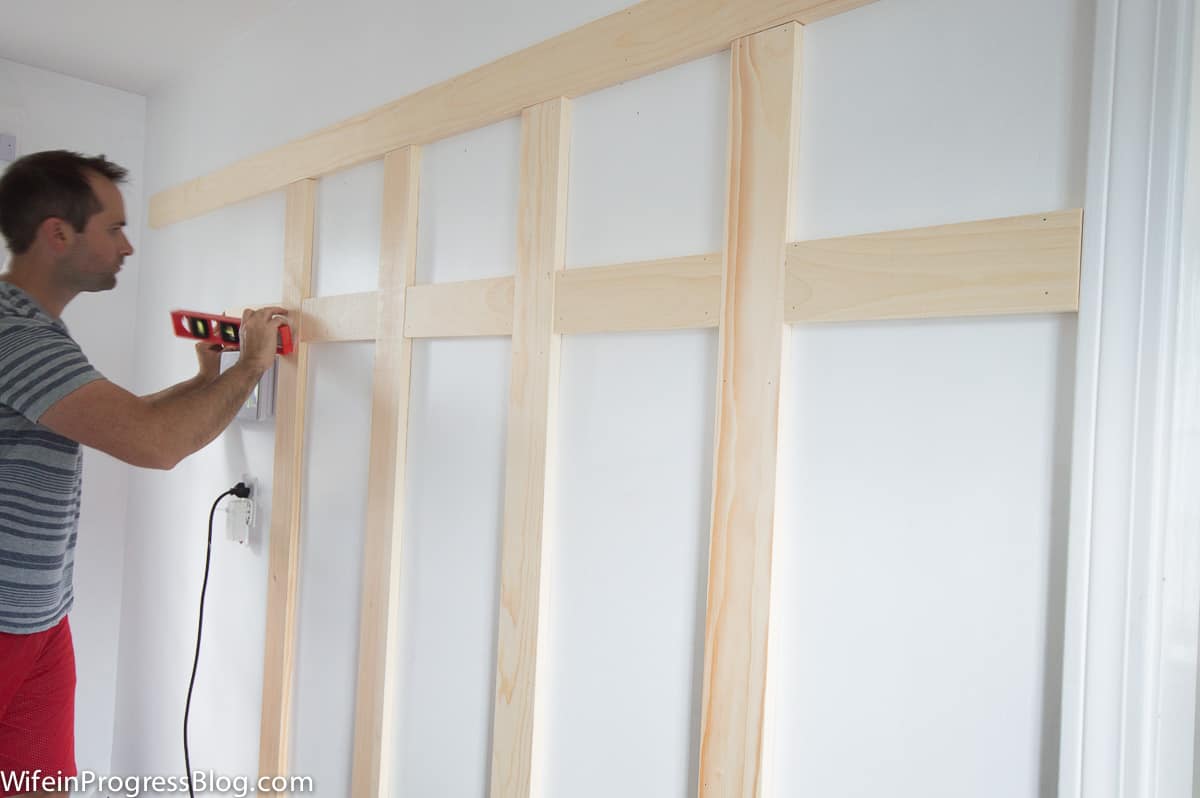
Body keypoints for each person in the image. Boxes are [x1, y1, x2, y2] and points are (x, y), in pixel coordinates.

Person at [0, 150, 287, 797]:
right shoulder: (12, 332)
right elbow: (152, 446)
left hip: (39, 619)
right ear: (57, 234)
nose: (128, 246)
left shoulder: (38, 330)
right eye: (114, 228)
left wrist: (203, 382)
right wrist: (249, 369)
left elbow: (120, 419)